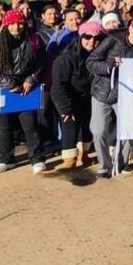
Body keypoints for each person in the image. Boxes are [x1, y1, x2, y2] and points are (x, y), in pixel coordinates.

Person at [86, 16, 133, 175]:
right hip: (102, 92)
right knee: (98, 130)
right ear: (130, 28)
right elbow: (91, 61)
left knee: (129, 129)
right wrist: (109, 68)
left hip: (125, 95)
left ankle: (121, 164)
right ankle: (105, 165)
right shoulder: (112, 40)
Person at [0, 10, 47, 175]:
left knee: (30, 125)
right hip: (3, 88)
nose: (16, 27)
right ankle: (5, 159)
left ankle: (37, 158)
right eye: (12, 23)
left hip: (26, 89)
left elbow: (42, 63)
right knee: (4, 127)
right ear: (6, 25)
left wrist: (30, 79)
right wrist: (9, 83)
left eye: (20, 23)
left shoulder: (34, 40)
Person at [50, 21, 103, 171]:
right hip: (68, 97)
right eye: (87, 36)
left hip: (88, 97)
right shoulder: (65, 59)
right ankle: (69, 161)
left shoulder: (99, 56)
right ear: (81, 37)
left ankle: (84, 155)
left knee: (87, 126)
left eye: (96, 38)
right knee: (70, 126)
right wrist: (65, 109)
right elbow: (58, 86)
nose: (92, 41)